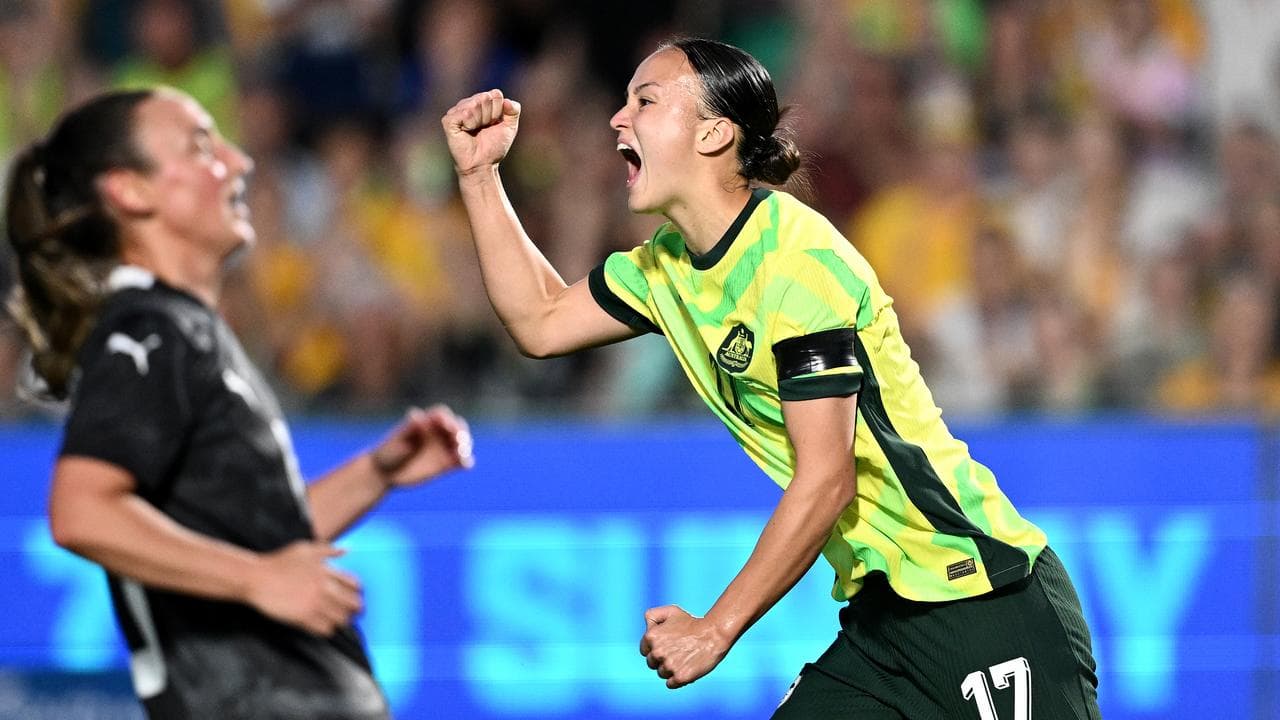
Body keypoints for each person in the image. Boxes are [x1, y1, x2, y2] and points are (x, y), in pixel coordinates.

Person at [442, 37, 1100, 719]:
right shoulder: (667, 269)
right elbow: (541, 320)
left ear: (714, 133)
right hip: (886, 624)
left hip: (984, 598)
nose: (617, 117)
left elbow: (827, 479)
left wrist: (716, 627)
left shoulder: (795, 262)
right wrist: (479, 177)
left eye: (646, 100)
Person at [4, 87, 474, 719]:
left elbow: (255, 543)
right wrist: (259, 580)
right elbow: (80, 510)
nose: (238, 161)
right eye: (200, 146)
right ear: (131, 192)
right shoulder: (152, 332)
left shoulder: (183, 330)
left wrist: (374, 473)